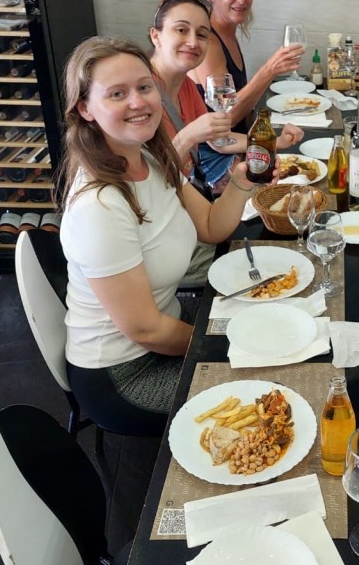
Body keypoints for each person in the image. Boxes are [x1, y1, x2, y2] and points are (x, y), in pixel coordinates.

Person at [56, 36, 260, 436]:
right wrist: (225, 345)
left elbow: (211, 227)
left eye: (144, 87)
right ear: (85, 108)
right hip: (124, 373)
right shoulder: (99, 207)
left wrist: (242, 180)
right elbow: (145, 330)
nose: (138, 102)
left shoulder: (147, 155)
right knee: (265, 386)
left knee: (265, 328)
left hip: (170, 327)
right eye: (117, 93)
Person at [149, 0, 303, 196]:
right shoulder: (139, 94)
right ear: (156, 35)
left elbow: (218, 141)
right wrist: (189, 136)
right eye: (181, 30)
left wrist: (275, 142)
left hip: (184, 191)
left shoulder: (186, 86)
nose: (193, 42)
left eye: (202, 34)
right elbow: (146, 184)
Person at [190, 0, 304, 133]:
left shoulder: (228, 33)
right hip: (217, 149)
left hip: (240, 140)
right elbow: (227, 116)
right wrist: (269, 70)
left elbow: (243, 109)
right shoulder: (209, 42)